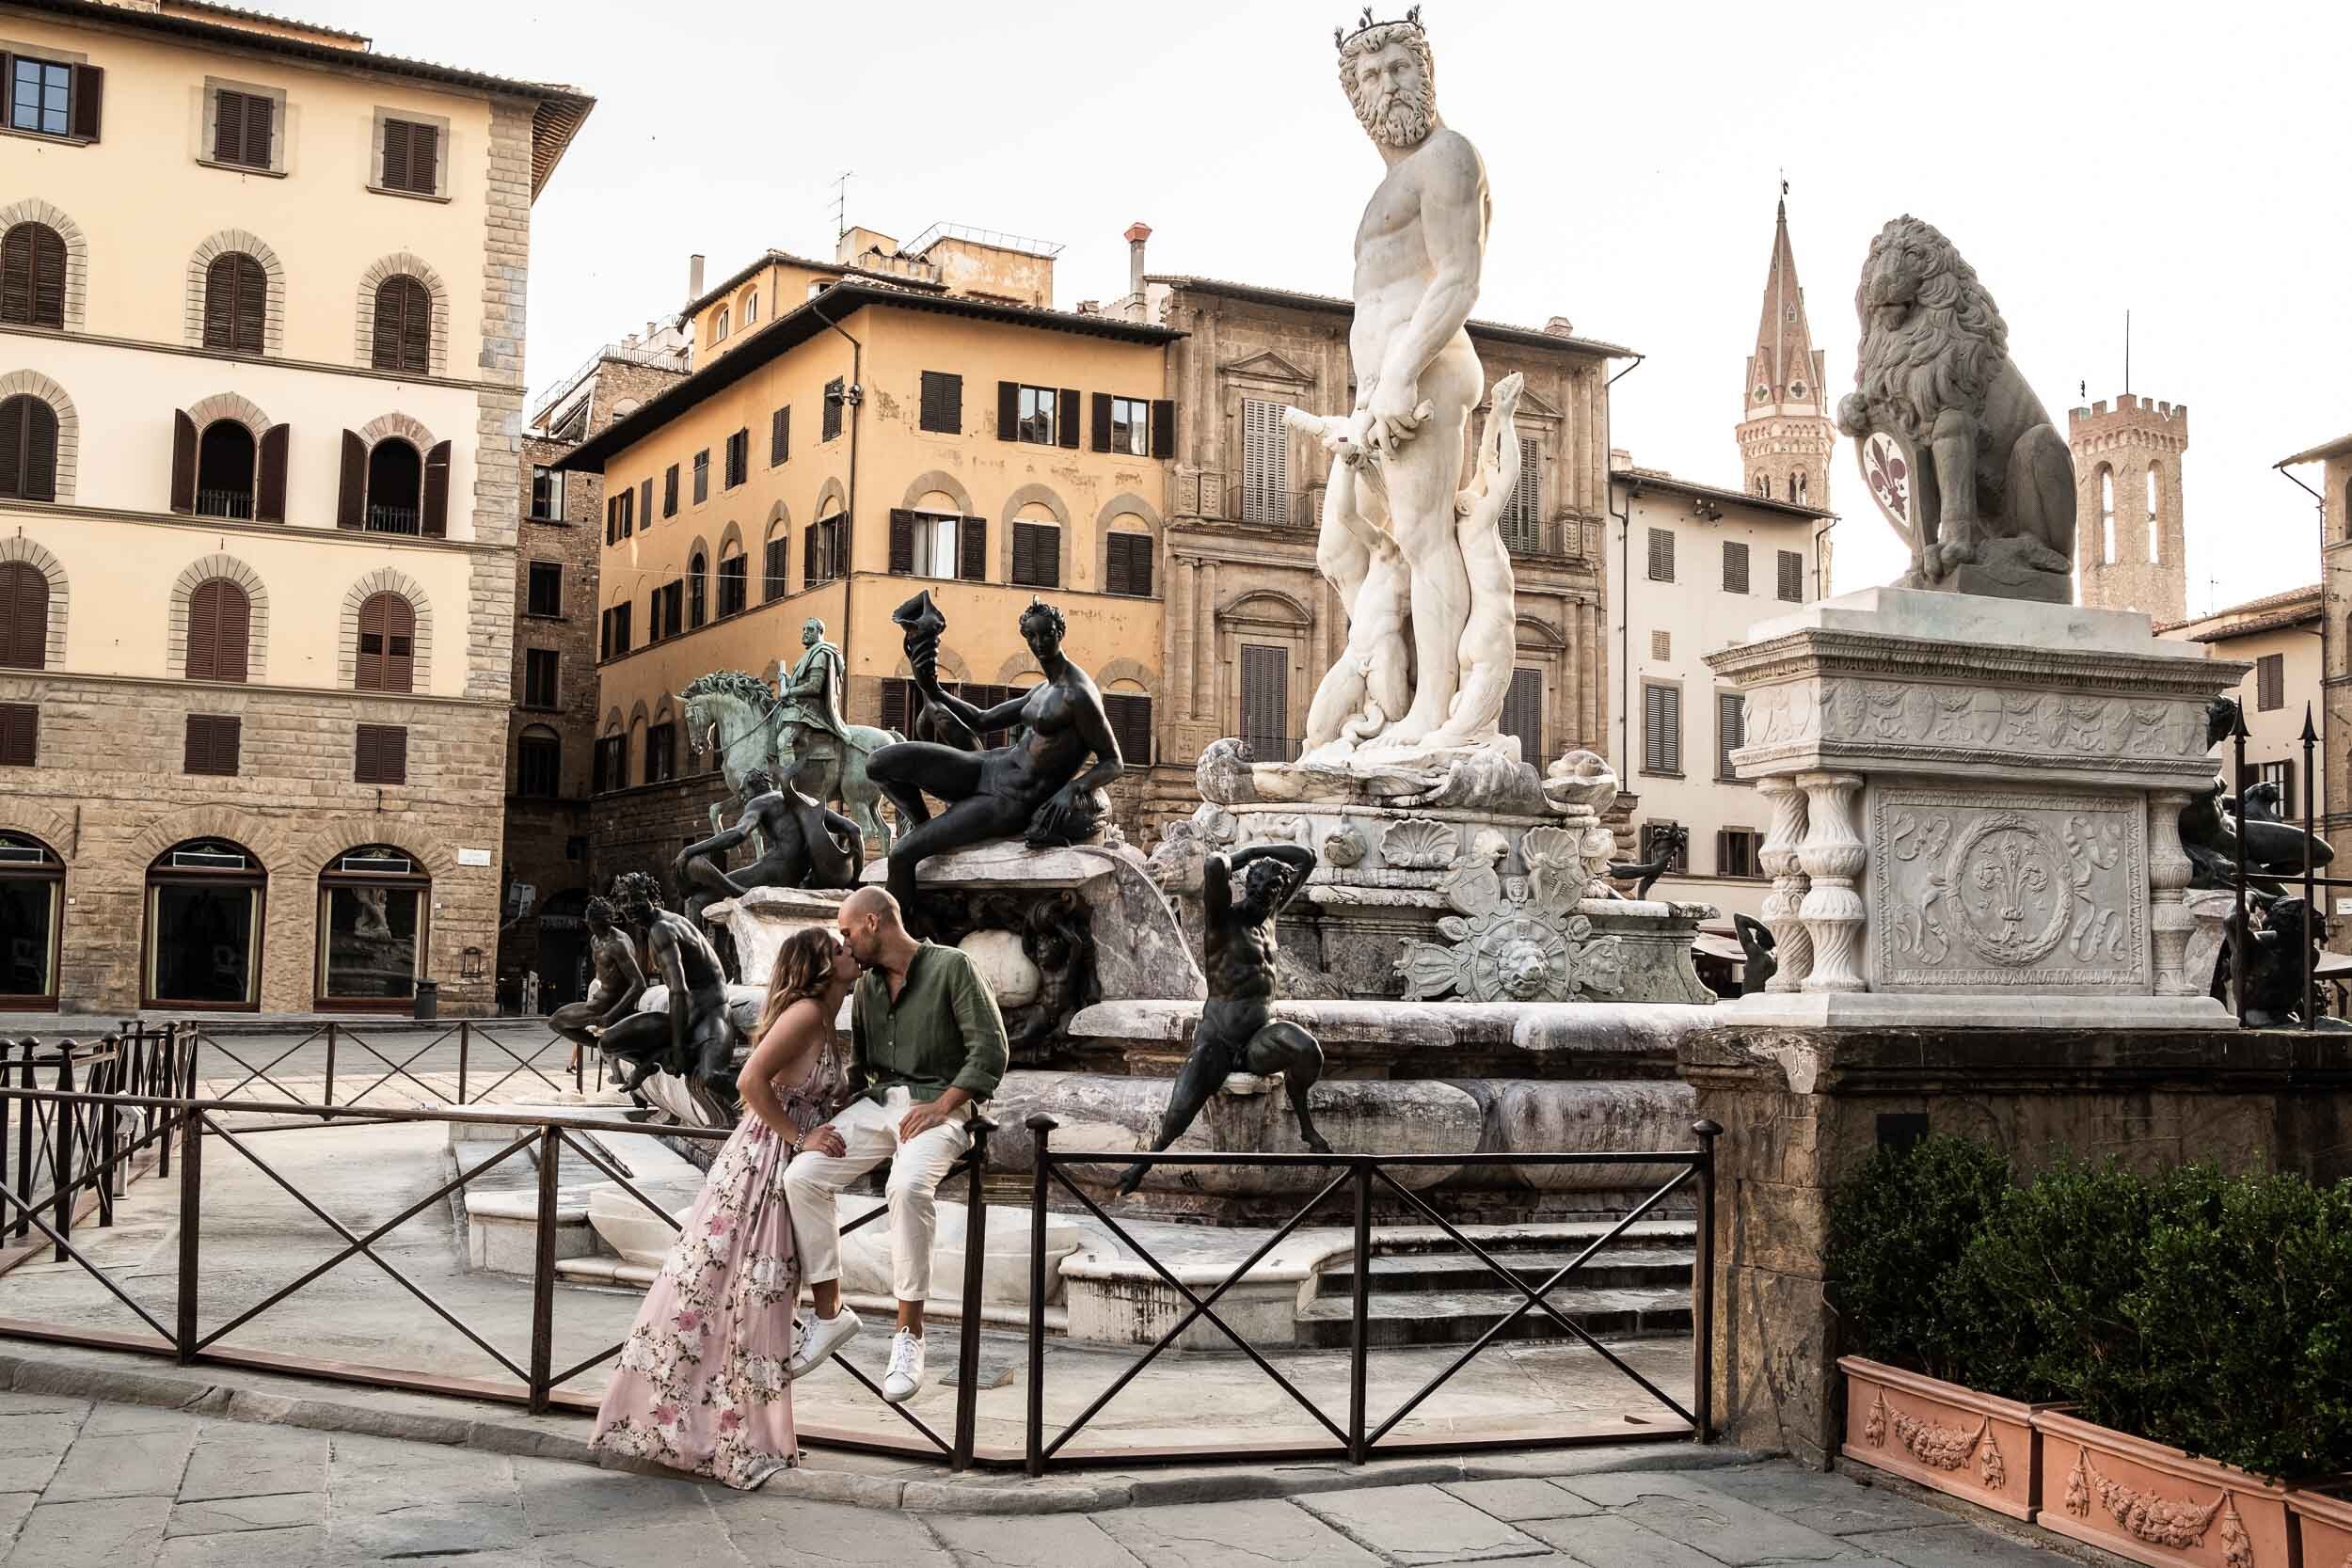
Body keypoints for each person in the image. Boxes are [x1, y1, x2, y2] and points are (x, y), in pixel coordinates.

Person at [591, 927, 855, 1488]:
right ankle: (728, 1437)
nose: (850, 950)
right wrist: (797, 1136)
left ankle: (721, 1428)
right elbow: (750, 1079)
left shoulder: (824, 1018)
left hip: (786, 1165)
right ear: (819, 965)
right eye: (840, 947)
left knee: (749, 1293)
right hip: (763, 1163)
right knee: (745, 1293)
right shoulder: (807, 1013)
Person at [783, 886, 1008, 1402]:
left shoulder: (953, 967)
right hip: (881, 1103)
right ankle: (830, 1315)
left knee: (906, 1188)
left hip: (942, 1105)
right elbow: (863, 1067)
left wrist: (944, 1104)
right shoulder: (865, 990)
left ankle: (909, 1335)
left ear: (873, 924)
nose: (843, 943)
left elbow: (991, 1050)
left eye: (845, 933)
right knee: (802, 1177)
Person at [866, 598, 1122, 911]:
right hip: (988, 768)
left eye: (1047, 634)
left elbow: (1113, 761)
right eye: (1032, 636)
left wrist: (1073, 788)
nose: (1039, 643)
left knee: (902, 855)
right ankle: (924, 827)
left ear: (1060, 632)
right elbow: (981, 719)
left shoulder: (1078, 694)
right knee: (880, 763)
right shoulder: (1042, 689)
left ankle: (897, 948)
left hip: (1008, 801)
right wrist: (932, 687)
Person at [1116, 844, 1330, 1198]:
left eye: (1274, 892)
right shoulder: (1221, 920)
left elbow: (1306, 857)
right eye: (1261, 890)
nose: (1268, 897)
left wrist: (1269, 865)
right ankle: (1141, 1165)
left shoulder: (1271, 915)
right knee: (1182, 1106)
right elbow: (1215, 864)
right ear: (1248, 887)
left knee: (1308, 1049)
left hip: (1258, 1038)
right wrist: (1248, 859)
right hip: (1219, 1039)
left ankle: (1305, 1124)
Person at [548, 896, 645, 1076]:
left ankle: (612, 1050)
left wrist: (610, 1015)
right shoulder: (595, 940)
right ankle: (609, 1049)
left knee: (557, 1022)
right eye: (596, 924)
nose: (596, 927)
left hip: (610, 1006)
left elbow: (639, 985)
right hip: (599, 999)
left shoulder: (618, 944)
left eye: (603, 924)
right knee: (556, 1021)